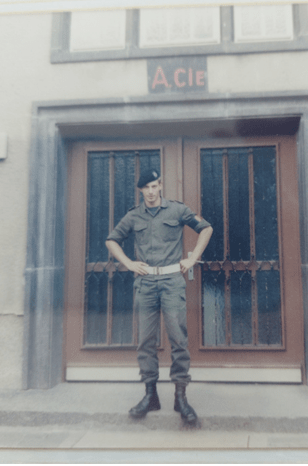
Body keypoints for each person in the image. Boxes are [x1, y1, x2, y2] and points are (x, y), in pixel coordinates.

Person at [105, 169, 213, 425]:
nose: (151, 192)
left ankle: (180, 397)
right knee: (145, 340)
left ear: (160, 186)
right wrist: (129, 263)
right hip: (145, 283)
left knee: (178, 338)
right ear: (141, 190)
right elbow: (112, 240)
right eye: (147, 188)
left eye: (155, 186)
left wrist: (193, 258)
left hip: (172, 281)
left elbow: (206, 228)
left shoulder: (177, 210)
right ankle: (150, 395)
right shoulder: (134, 215)